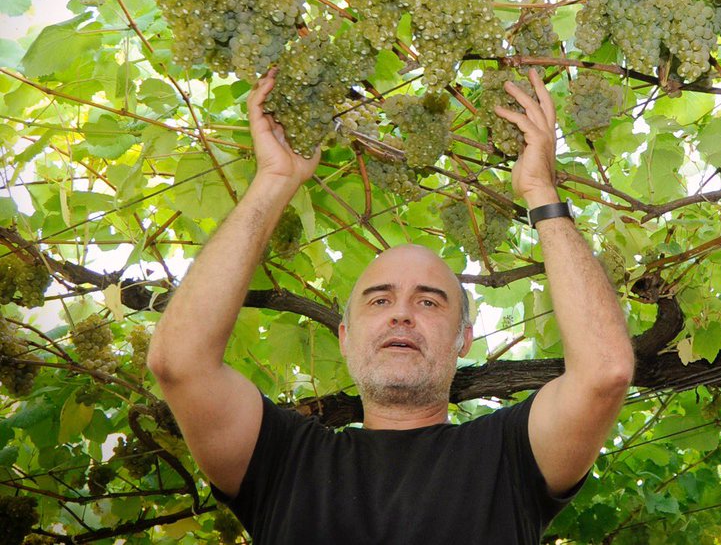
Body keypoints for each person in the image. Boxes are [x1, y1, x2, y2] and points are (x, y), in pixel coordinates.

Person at [147, 67, 635, 544]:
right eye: (380, 300)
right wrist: (273, 181)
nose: (402, 313)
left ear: (464, 339)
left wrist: (540, 193)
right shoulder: (283, 460)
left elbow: (605, 371)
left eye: (429, 301)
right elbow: (179, 363)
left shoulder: (508, 456)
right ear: (344, 336)